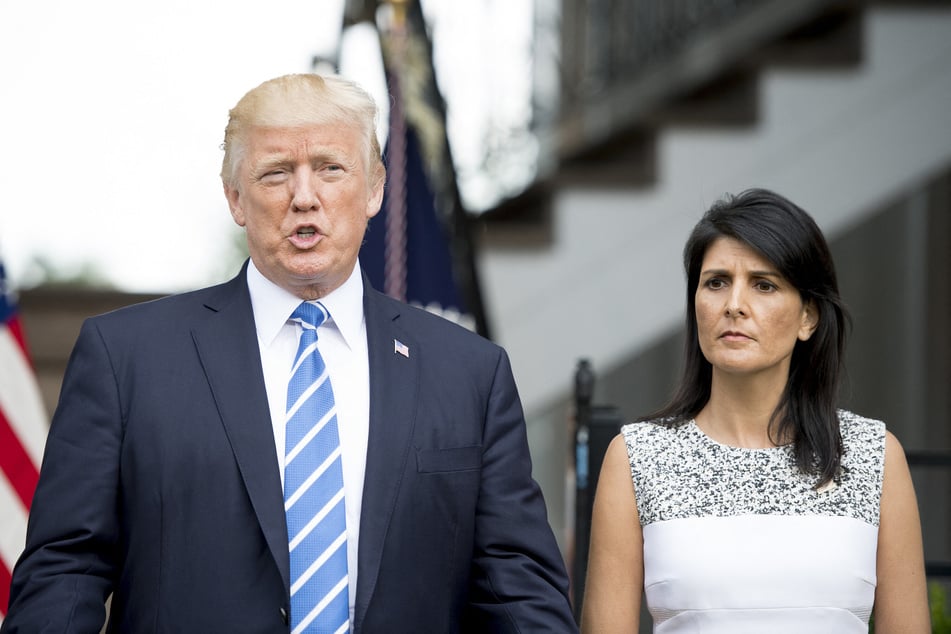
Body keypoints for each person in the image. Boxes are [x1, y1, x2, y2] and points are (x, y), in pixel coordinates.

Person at [3, 73, 577, 633]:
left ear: (375, 188)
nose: (305, 197)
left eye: (330, 168)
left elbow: (518, 587)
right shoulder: (125, 358)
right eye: (276, 173)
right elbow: (65, 572)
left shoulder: (470, 373)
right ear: (235, 197)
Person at [581, 189, 930, 633]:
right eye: (716, 282)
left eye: (764, 285)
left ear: (809, 317)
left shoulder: (871, 455)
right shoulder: (637, 457)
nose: (734, 305)